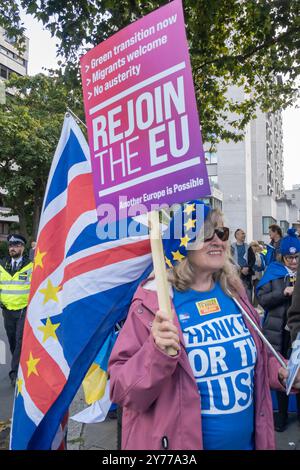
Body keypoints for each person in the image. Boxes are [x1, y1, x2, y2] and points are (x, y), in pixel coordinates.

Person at [108, 203, 300, 450]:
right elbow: (122, 391)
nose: (217, 241)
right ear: (181, 242)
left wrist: (282, 372)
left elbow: (257, 354)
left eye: (221, 233)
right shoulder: (154, 301)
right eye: (205, 234)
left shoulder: (234, 293)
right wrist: (155, 352)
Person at [257, 228, 300, 432]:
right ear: (282, 256)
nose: (293, 261)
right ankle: (281, 416)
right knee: (282, 374)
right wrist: (283, 293)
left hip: (296, 333)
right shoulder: (273, 272)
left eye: (296, 256)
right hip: (276, 333)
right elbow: (262, 300)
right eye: (289, 257)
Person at [0, 234, 33, 387]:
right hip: (7, 311)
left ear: (22, 247)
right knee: (12, 341)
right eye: (10, 245)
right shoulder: (2, 264)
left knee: (20, 341)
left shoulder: (30, 266)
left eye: (15, 245)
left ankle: (14, 373)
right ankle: (18, 362)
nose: (12, 248)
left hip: (22, 311)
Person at [231, 229, 256, 303]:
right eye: (242, 233)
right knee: (236, 293)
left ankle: (249, 310)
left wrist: (248, 267)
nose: (244, 235)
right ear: (237, 235)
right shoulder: (231, 247)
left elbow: (252, 259)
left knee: (248, 293)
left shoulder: (248, 247)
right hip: (235, 274)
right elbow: (229, 259)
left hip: (247, 274)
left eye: (244, 233)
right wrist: (240, 268)